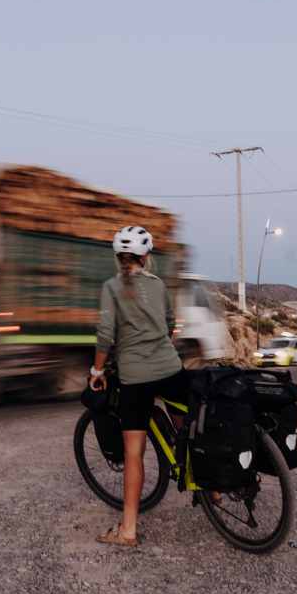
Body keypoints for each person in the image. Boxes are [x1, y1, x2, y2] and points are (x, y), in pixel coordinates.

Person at [89, 225, 186, 548]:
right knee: (187, 429)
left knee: (134, 453)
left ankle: (128, 530)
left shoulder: (111, 287)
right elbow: (171, 325)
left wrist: (97, 370)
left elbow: (105, 335)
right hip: (171, 369)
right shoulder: (158, 286)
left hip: (135, 377)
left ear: (118, 258)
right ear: (147, 257)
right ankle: (211, 490)